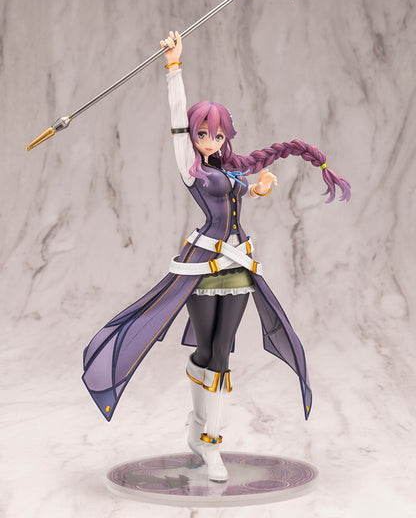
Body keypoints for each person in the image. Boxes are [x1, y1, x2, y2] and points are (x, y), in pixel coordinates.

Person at [82, 31, 350, 482]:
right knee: (207, 351)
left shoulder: (230, 168)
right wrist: (173, 67)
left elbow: (250, 183)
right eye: (202, 134)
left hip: (238, 267)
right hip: (202, 267)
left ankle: (210, 442)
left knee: (222, 353)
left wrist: (272, 179)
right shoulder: (192, 170)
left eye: (216, 134)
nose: (209, 140)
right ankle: (198, 429)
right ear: (193, 136)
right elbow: (177, 123)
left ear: (226, 136)